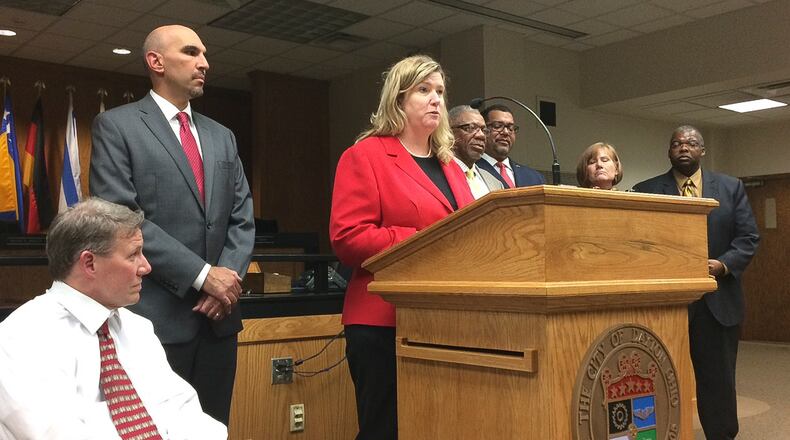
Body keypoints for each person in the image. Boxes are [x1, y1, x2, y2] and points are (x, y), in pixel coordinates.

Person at [89, 24, 255, 425]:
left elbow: (242, 216)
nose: (205, 63)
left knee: (214, 428)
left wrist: (226, 280)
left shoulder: (223, 137)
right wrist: (203, 277)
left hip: (218, 322)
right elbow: (121, 218)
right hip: (154, 322)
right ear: (156, 61)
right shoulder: (118, 127)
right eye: (191, 52)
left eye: (204, 54)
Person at [329, 55, 474, 440]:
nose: (435, 100)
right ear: (398, 99)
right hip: (382, 322)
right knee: (386, 430)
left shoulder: (451, 165)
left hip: (442, 320)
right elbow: (348, 237)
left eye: (440, 92)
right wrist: (420, 240)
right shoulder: (365, 155)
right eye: (423, 90)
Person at [0, 198, 227, 439]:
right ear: (89, 263)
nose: (146, 267)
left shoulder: (137, 328)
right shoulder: (19, 339)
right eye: (133, 255)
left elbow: (181, 410)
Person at [633, 125, 759, 440]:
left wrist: (723, 265)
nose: (683, 147)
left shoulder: (731, 187)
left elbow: (748, 237)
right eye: (676, 143)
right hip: (667, 304)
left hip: (718, 302)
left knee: (718, 380)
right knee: (657, 376)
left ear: (702, 150)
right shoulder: (646, 189)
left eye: (690, 143)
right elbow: (640, 243)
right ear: (669, 151)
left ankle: (721, 435)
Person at [476, 104, 545, 188]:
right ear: (483, 130)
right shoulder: (471, 171)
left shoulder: (534, 177)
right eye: (497, 126)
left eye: (510, 128)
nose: (506, 132)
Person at [449, 105, 503, 199]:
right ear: (449, 132)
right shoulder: (436, 174)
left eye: (484, 130)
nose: (481, 136)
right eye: (470, 128)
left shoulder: (495, 183)